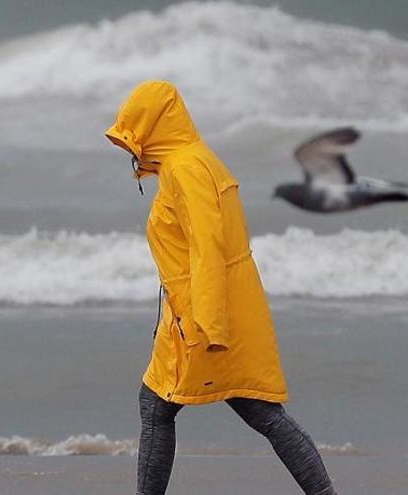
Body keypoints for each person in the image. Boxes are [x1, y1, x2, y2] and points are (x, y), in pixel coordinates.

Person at [104, 80, 336, 495]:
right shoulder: (192, 160)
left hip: (205, 315)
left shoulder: (186, 168)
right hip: (200, 310)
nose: (131, 149)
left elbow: (208, 249)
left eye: (133, 134)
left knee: (243, 410)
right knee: (232, 409)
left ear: (153, 125)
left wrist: (209, 325)